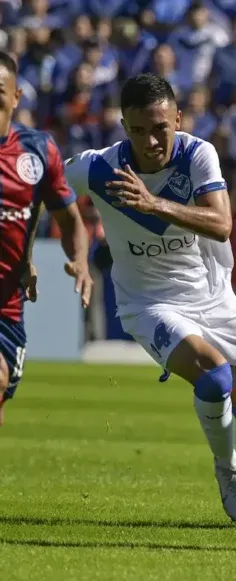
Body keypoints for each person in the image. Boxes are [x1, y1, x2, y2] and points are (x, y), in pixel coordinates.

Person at [64, 73, 236, 527]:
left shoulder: (197, 154)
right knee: (214, 376)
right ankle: (229, 476)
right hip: (147, 302)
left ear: (177, 119)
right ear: (123, 126)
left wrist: (154, 204)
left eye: (159, 128)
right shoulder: (97, 168)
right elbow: (50, 190)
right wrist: (74, 249)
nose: (150, 140)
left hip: (212, 293)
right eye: (137, 130)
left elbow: (222, 224)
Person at [0, 51, 93, 427]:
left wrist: (81, 261)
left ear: (16, 95)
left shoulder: (38, 151)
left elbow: (70, 221)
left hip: (7, 303)